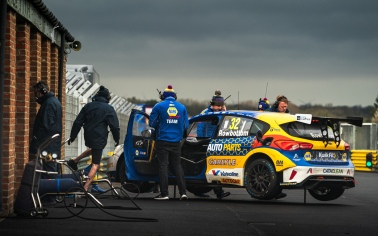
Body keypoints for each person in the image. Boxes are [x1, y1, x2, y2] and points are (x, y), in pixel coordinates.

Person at [68, 85, 120, 192]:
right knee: (95, 164)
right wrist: (116, 139)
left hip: (88, 136)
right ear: (107, 98)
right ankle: (85, 188)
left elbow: (78, 122)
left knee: (94, 150)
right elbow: (114, 126)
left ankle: (75, 161)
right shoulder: (108, 109)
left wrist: (72, 136)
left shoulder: (88, 106)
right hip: (99, 137)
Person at [149, 85, 188, 200]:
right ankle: (183, 193)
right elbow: (186, 125)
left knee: (163, 166)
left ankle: (164, 193)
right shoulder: (182, 107)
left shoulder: (158, 106)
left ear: (163, 96)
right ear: (175, 96)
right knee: (177, 165)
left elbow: (152, 123)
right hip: (176, 141)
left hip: (162, 140)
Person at [196, 90, 231, 199]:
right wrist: (201, 141)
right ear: (212, 105)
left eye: (221, 106)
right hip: (206, 142)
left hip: (217, 142)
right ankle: (217, 192)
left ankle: (215, 192)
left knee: (215, 168)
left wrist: (225, 113)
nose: (220, 108)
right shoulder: (206, 113)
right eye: (218, 106)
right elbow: (200, 128)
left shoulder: (222, 112)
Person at [30, 81, 62, 179]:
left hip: (48, 143)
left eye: (36, 93)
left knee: (49, 171)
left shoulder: (49, 104)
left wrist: (35, 141)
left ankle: (51, 193)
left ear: (42, 91)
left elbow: (45, 125)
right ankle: (52, 193)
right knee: (50, 169)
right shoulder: (53, 101)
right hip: (51, 143)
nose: (36, 96)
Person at [264, 95, 289, 200]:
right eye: (282, 106)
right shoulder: (270, 113)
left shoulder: (287, 114)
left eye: (285, 107)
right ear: (276, 105)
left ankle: (277, 191)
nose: (284, 109)